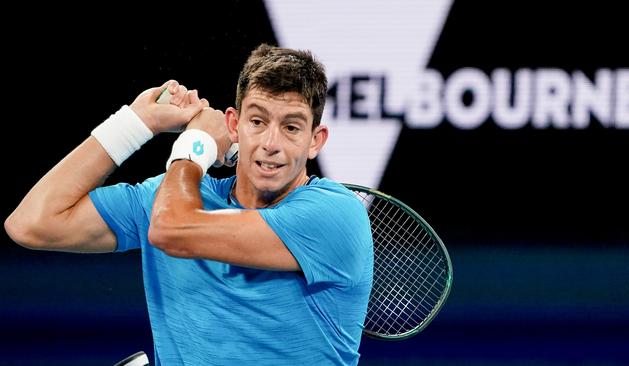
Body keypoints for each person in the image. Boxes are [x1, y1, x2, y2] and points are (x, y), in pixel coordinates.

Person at [4, 44, 374, 365]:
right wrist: (135, 123)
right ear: (234, 124)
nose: (270, 143)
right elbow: (32, 223)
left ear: (315, 140)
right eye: (257, 121)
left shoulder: (335, 215)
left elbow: (171, 230)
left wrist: (192, 149)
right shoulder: (171, 196)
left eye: (291, 127)